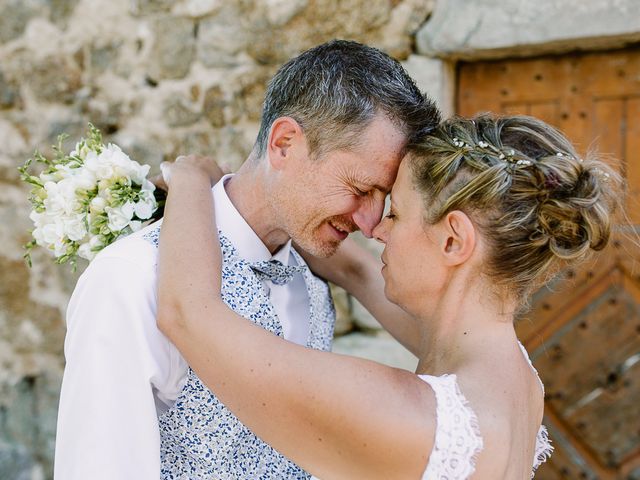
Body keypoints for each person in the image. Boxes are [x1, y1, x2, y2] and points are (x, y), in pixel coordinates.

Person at [53, 40, 440, 479]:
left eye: (383, 198)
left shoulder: (314, 281)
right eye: (360, 188)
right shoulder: (134, 276)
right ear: (284, 143)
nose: (371, 224)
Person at [156, 114, 620, 479]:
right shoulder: (514, 376)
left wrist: (192, 180)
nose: (376, 229)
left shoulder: (411, 419)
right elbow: (359, 270)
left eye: (396, 212)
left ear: (454, 241)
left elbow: (188, 315)